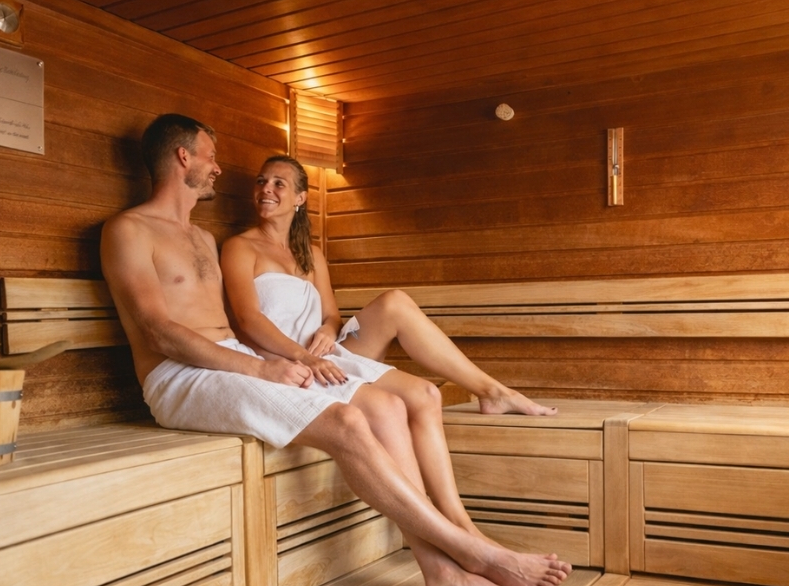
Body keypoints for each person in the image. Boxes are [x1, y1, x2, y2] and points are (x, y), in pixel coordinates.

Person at [100, 114, 570, 586]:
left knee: (385, 408)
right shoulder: (129, 230)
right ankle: (473, 553)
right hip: (179, 378)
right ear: (183, 157)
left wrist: (270, 361)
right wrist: (263, 368)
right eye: (210, 156)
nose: (217, 168)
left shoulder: (201, 238)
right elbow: (157, 331)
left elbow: (235, 323)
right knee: (346, 421)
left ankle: (443, 578)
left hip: (233, 363)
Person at [220, 157, 556, 418]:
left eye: (279, 183)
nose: (266, 189)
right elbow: (248, 319)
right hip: (287, 361)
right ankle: (495, 393)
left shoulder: (311, 254)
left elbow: (332, 315)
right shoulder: (240, 247)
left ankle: (492, 391)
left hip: (326, 353)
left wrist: (328, 329)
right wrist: (305, 356)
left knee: (395, 302)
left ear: (300, 198)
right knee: (413, 390)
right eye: (261, 181)